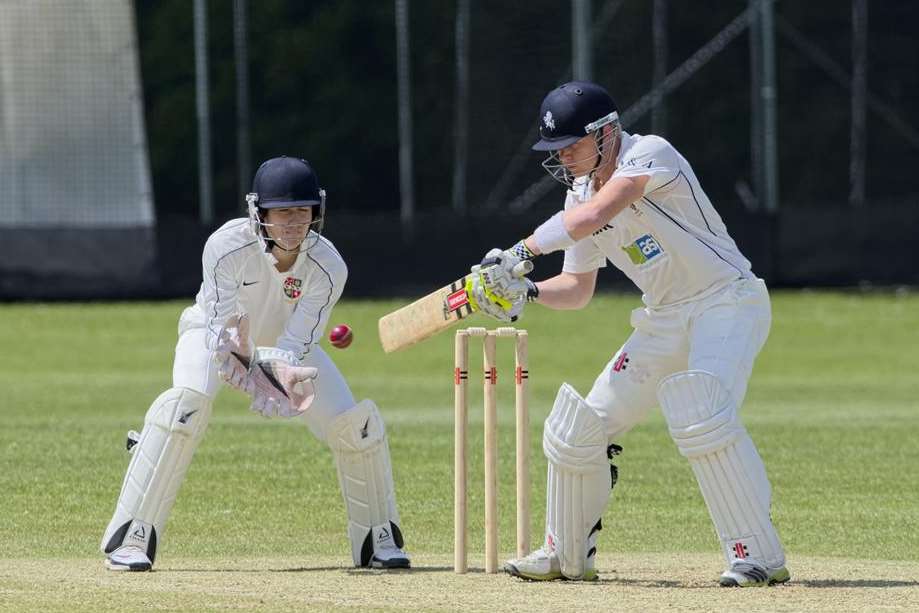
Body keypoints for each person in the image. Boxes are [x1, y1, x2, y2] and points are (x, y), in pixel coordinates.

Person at [468, 81, 789, 587]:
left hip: (726, 302)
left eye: (572, 145)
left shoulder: (650, 154)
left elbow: (596, 214)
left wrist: (522, 252)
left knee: (702, 413)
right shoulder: (578, 194)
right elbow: (576, 288)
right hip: (664, 317)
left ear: (607, 133)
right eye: (555, 149)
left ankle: (757, 556)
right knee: (579, 428)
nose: (564, 157)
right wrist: (525, 293)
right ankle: (564, 554)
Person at [100, 156, 410, 571]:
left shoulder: (329, 266)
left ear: (316, 211)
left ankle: (379, 540)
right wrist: (251, 371)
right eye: (282, 212)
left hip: (286, 349)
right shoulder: (226, 247)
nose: (293, 223)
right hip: (210, 337)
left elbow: (297, 342)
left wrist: (278, 375)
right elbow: (222, 336)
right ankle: (131, 537)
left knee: (356, 425)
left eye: (302, 211)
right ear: (258, 211)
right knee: (185, 408)